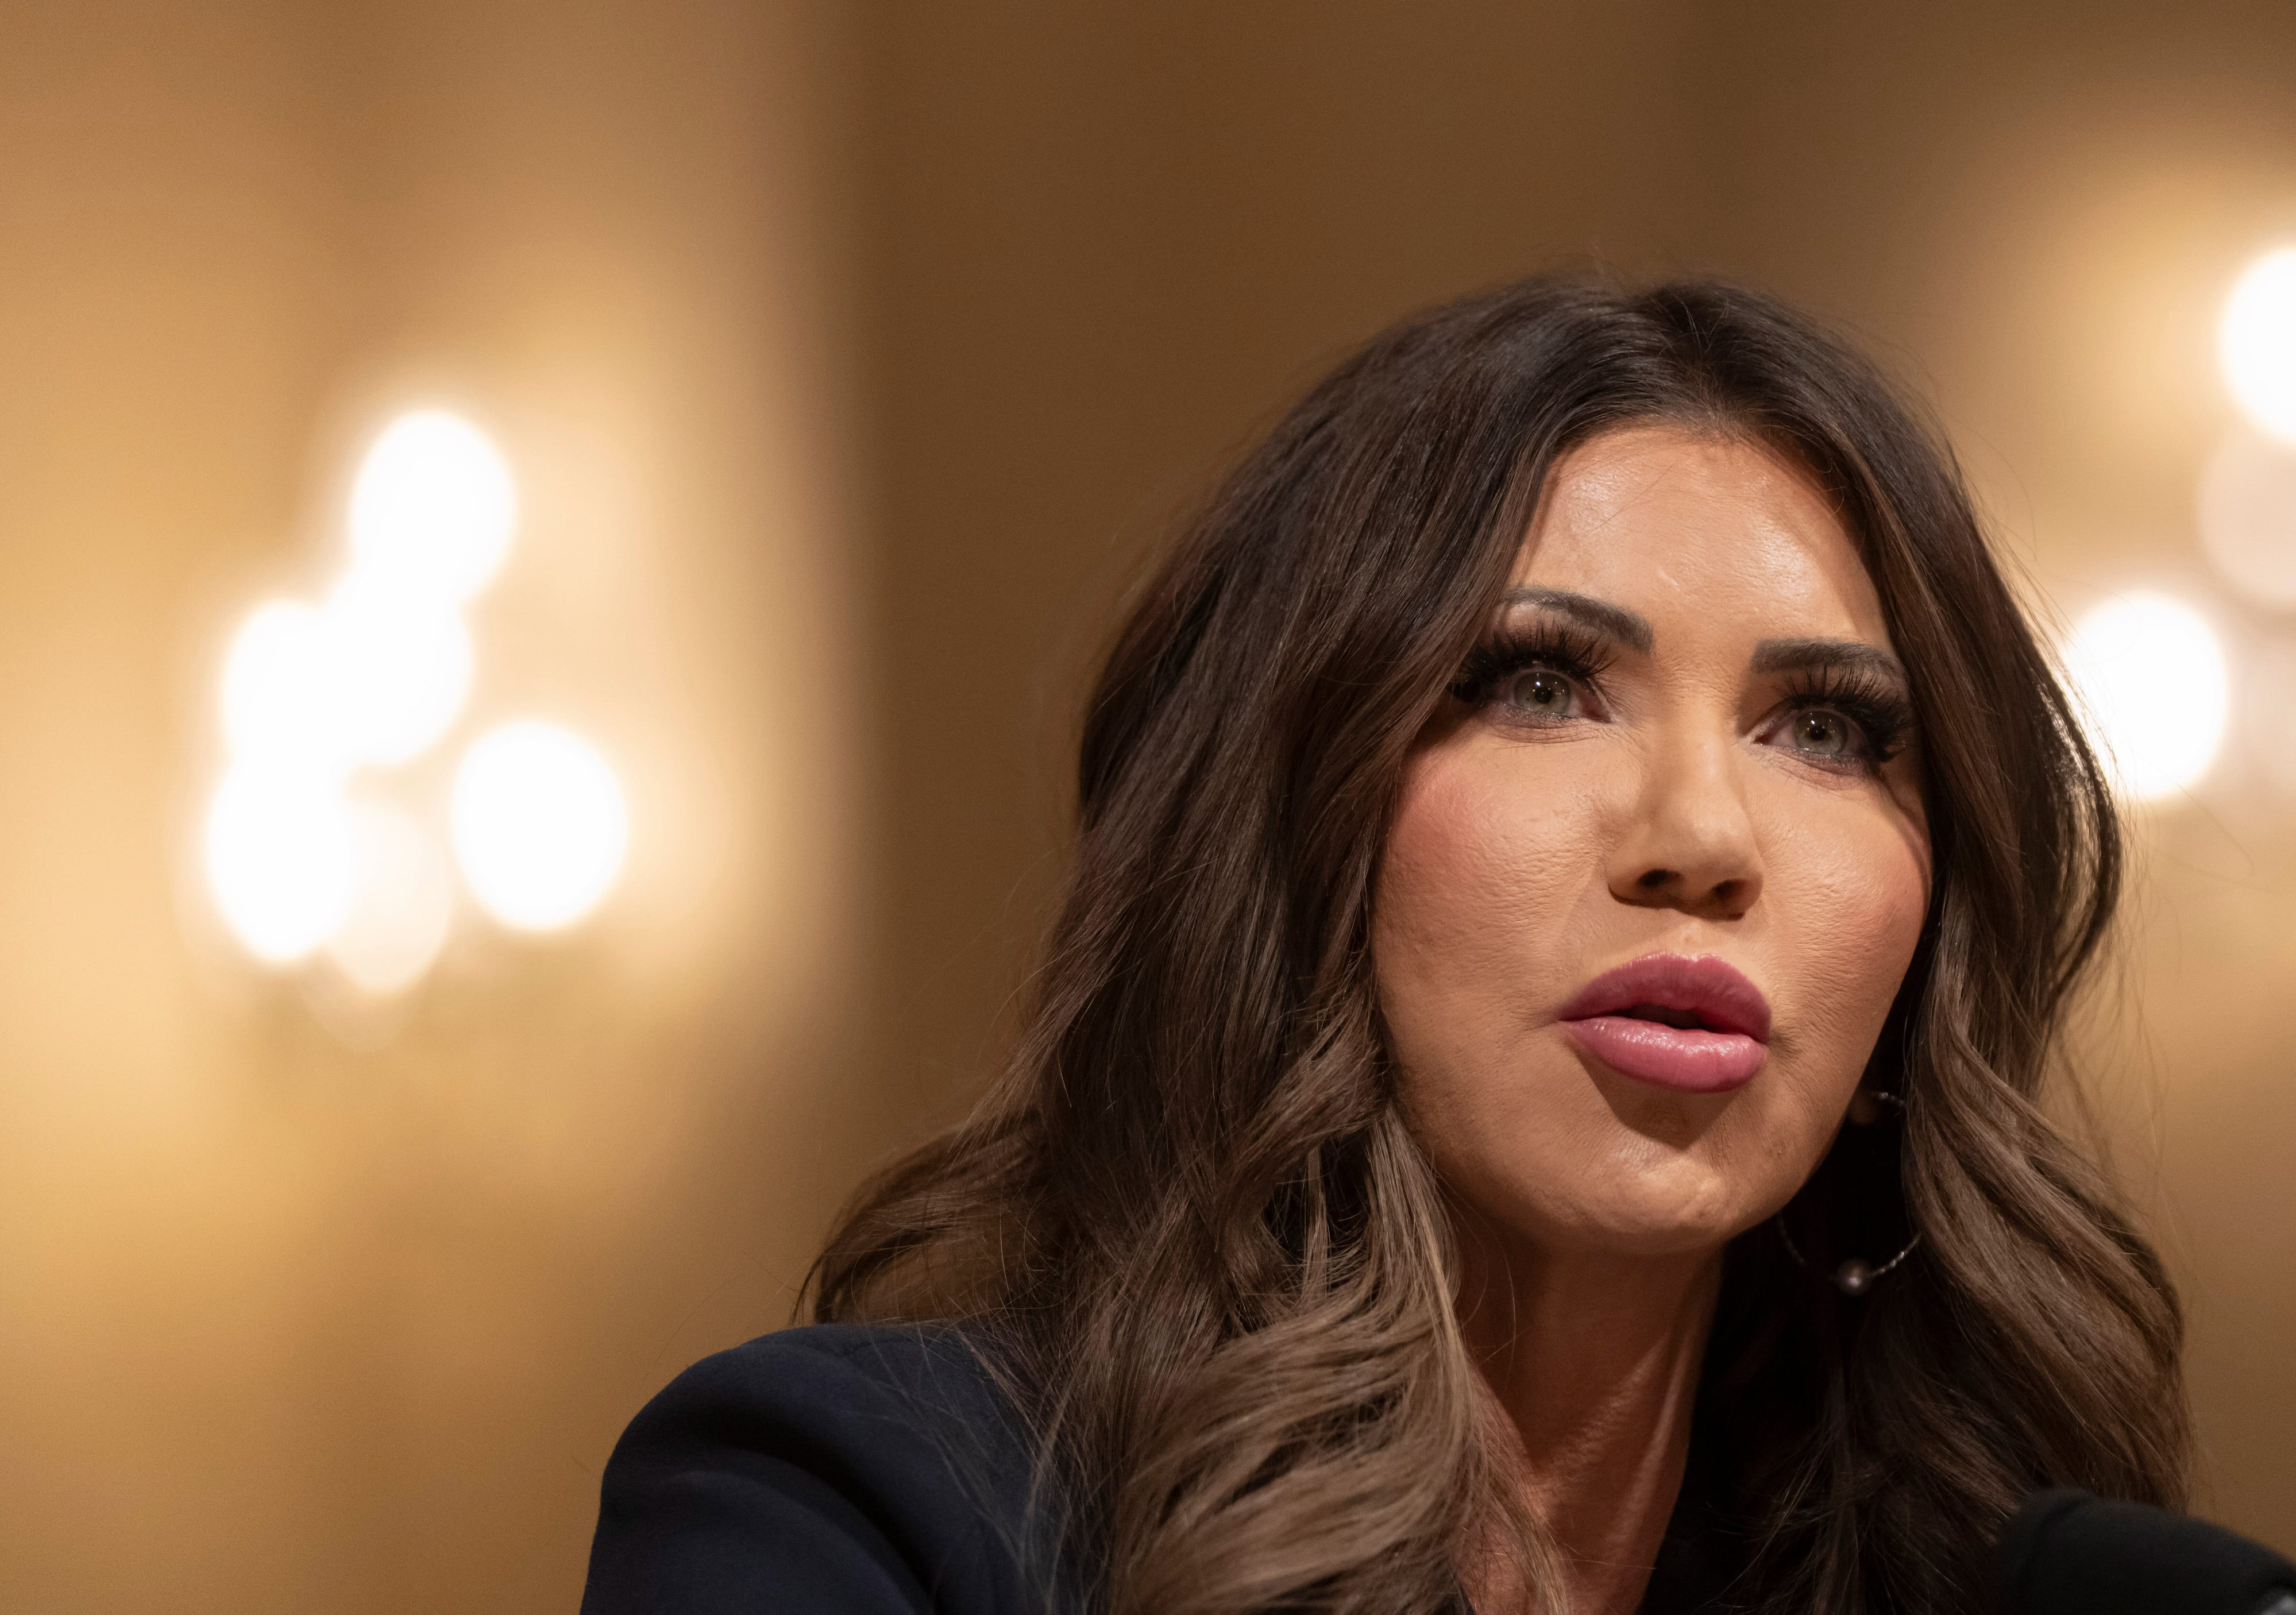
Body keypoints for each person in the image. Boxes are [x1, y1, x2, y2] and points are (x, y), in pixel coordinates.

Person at [580, 276, 2189, 1615]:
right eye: (1542, 686)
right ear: (1295, 812)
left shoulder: (2017, 1576)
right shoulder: (852, 1509)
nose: (1702, 836)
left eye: (1826, 729)